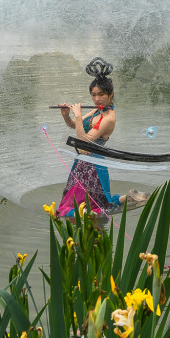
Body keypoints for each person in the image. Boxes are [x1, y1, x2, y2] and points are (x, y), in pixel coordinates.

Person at [55, 57, 148, 219]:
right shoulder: (98, 111)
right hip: (82, 163)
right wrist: (67, 116)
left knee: (80, 207)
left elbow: (83, 139)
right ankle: (132, 197)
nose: (97, 99)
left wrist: (77, 116)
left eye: (101, 95)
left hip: (95, 166)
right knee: (95, 202)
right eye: (93, 95)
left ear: (111, 94)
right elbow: (75, 127)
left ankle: (94, 216)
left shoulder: (108, 118)